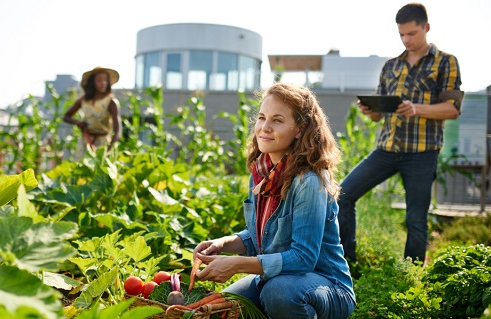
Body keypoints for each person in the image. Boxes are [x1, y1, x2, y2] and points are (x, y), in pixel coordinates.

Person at [193, 83, 356, 319]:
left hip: (326, 286)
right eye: (261, 118)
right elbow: (262, 234)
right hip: (276, 278)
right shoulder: (261, 173)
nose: (264, 128)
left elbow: (303, 258)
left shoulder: (308, 181)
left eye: (277, 120)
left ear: (299, 129)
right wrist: (224, 244)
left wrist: (237, 265)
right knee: (224, 305)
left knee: (278, 293)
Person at [337, 2, 463, 264]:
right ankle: (346, 264)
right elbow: (379, 115)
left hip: (421, 154)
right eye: (401, 35)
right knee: (342, 195)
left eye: (412, 34)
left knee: (416, 219)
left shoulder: (446, 62)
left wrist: (416, 108)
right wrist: (369, 110)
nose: (406, 39)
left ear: (426, 28)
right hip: (387, 149)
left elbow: (452, 109)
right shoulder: (391, 66)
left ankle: (411, 275)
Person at [63, 66, 122, 157]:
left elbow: (118, 131)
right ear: (92, 83)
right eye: (99, 80)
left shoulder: (111, 102)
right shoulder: (84, 100)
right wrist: (78, 123)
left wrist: (110, 147)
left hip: (103, 143)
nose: (103, 83)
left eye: (105, 80)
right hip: (85, 141)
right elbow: (66, 117)